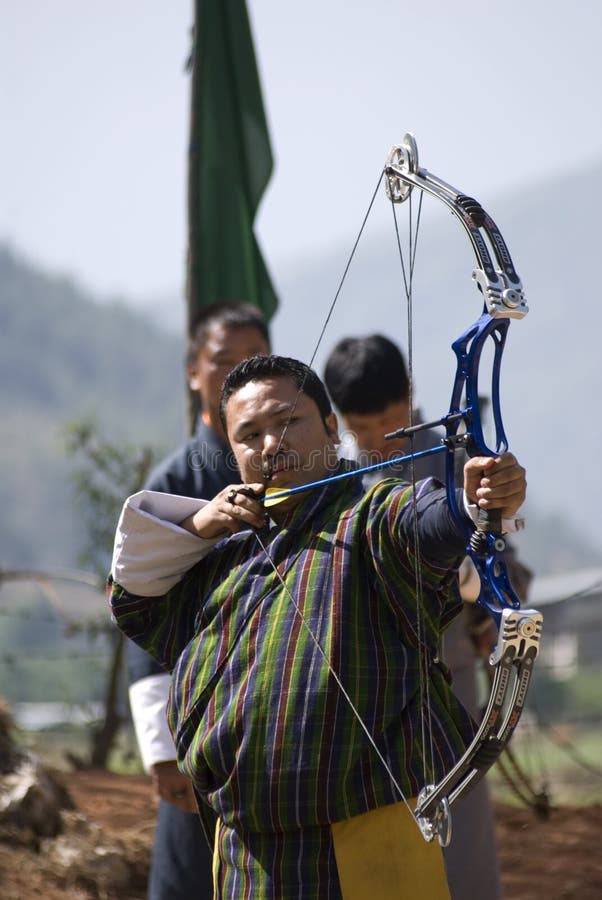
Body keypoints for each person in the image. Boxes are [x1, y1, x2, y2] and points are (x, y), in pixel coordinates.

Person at [110, 354, 527, 899]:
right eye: (249, 434)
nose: (269, 445)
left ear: (332, 429)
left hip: (368, 844)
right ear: (231, 453)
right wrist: (199, 523)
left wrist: (473, 503)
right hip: (246, 857)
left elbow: (428, 522)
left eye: (287, 422)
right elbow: (134, 596)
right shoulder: (218, 558)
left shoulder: (373, 518)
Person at [323, 333, 530, 899]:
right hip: (363, 681)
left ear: (410, 397)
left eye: (388, 425)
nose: (377, 443)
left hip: (449, 676)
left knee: (458, 838)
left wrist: (489, 609)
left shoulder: (462, 459)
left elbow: (504, 561)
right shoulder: (338, 477)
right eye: (360, 430)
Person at [126, 301, 270, 900]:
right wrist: (162, 750)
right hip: (198, 724)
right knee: (192, 874)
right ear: (194, 372)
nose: (237, 374)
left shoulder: (301, 471)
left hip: (279, 721)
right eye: (222, 362)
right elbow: (139, 600)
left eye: (253, 362)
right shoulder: (171, 484)